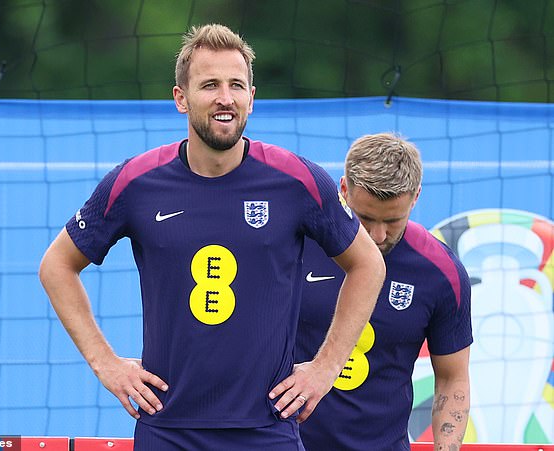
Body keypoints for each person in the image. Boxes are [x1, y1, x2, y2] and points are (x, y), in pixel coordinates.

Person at [39, 24, 385, 450]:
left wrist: (326, 367)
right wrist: (106, 364)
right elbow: (56, 265)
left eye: (237, 85)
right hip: (168, 431)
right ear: (181, 98)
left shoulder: (297, 180)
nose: (226, 98)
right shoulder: (135, 182)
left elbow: (369, 263)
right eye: (210, 85)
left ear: (252, 98)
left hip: (267, 431)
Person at [296, 132, 472, 451]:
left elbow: (452, 379)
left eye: (393, 221)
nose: (378, 236)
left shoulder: (442, 272)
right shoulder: (295, 245)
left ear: (415, 197)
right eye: (365, 219)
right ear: (344, 190)